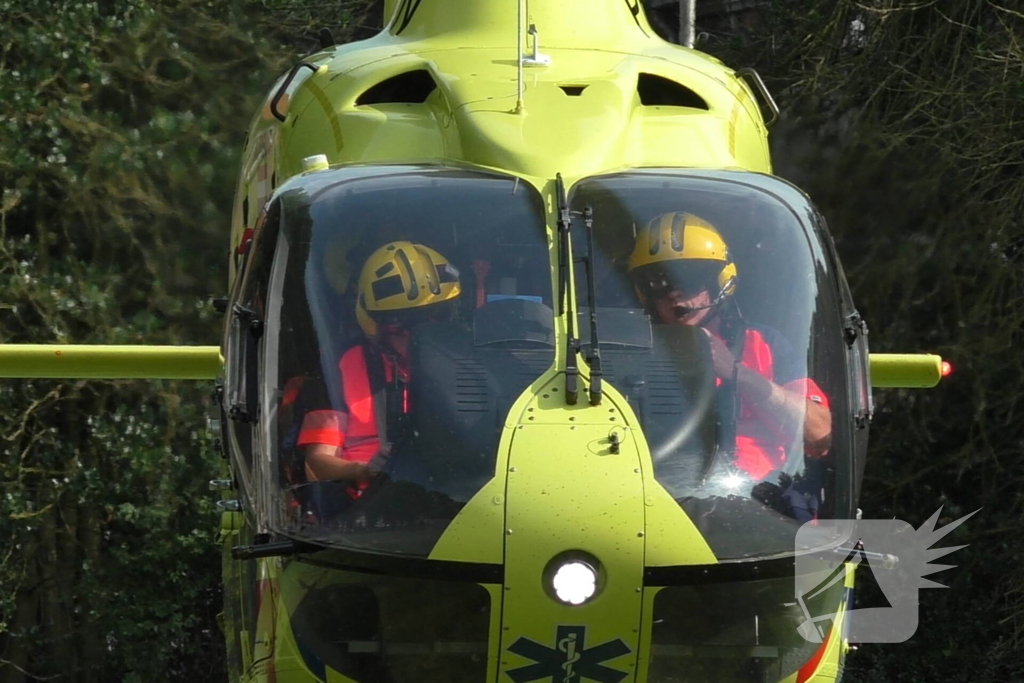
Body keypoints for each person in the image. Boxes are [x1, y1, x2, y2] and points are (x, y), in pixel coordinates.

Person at [628, 212, 832, 482]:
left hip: (760, 498)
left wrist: (736, 372)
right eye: (657, 281)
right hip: (662, 493)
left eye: (688, 277)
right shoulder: (631, 352)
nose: (673, 293)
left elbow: (818, 433)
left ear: (721, 282)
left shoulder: (763, 343)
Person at [297, 241, 461, 507]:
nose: (420, 339)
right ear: (377, 325)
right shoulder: (344, 366)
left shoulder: (473, 361)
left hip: (459, 499)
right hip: (371, 510)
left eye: (433, 322)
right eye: (406, 328)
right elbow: (317, 463)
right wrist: (362, 470)